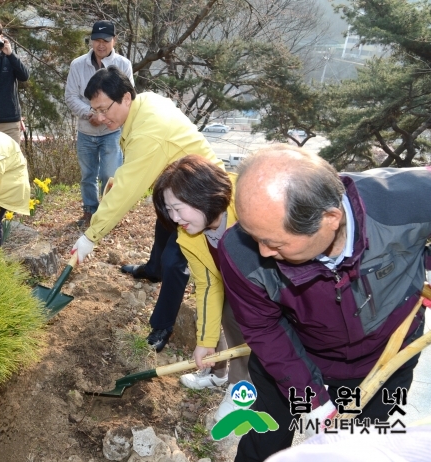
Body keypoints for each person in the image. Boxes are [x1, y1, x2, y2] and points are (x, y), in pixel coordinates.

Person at [217, 145, 430, 461]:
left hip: (385, 358)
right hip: (295, 357)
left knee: (360, 450)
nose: (262, 252)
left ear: (331, 218)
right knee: (263, 441)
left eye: (274, 243)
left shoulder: (406, 200)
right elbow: (264, 329)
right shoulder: (240, 252)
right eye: (253, 235)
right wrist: (315, 403)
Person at [68, 66, 221, 351]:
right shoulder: (144, 103)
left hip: (201, 196)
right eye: (94, 110)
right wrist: (120, 176)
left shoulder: (149, 132)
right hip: (176, 185)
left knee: (177, 260)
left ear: (126, 97)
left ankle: (162, 326)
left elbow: (128, 190)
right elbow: (139, 165)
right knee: (164, 222)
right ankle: (153, 269)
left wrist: (91, 236)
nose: (99, 119)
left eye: (104, 109)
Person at [151, 155, 250, 420]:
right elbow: (208, 284)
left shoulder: (249, 205)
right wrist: (205, 342)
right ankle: (218, 373)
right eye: (168, 211)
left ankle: (241, 391)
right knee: (210, 315)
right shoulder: (190, 234)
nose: (174, 218)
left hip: (267, 284)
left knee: (238, 320)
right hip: (235, 279)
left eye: (177, 208)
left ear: (203, 194)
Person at [65, 21, 134, 226]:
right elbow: (70, 96)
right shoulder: (78, 64)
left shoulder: (123, 64)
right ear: (91, 41)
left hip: (112, 131)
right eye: (96, 40)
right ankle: (89, 211)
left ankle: (110, 213)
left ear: (114, 40)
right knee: (88, 174)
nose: (100, 44)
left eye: (105, 40)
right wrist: (90, 114)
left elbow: (128, 96)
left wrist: (106, 116)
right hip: (86, 130)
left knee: (109, 174)